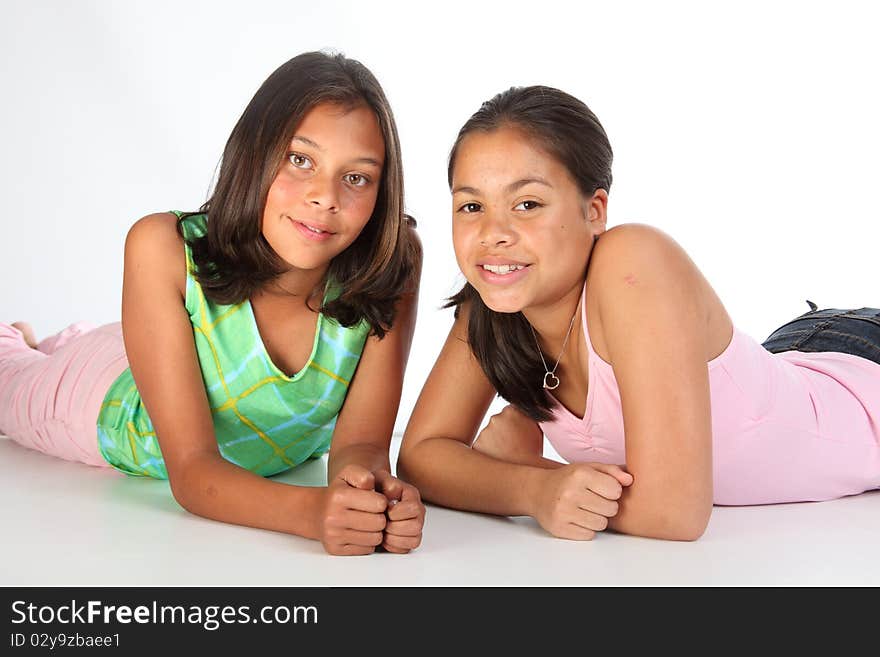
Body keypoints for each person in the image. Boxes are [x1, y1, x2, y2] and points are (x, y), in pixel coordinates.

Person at [397, 85, 880, 542]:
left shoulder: (633, 261)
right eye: (471, 206)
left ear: (595, 210)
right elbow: (421, 457)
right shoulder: (495, 304)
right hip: (792, 358)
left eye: (527, 203)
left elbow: (674, 510)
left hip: (863, 376)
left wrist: (530, 474)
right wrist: (530, 489)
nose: (493, 232)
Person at [0, 51, 425, 556]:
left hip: (173, 350)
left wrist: (372, 499)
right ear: (255, 152)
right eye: (300, 159)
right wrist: (312, 512)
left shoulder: (392, 264)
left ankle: (54, 340)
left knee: (101, 343)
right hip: (111, 407)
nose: (325, 197)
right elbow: (193, 471)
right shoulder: (161, 247)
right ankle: (20, 344)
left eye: (356, 177)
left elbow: (361, 447)